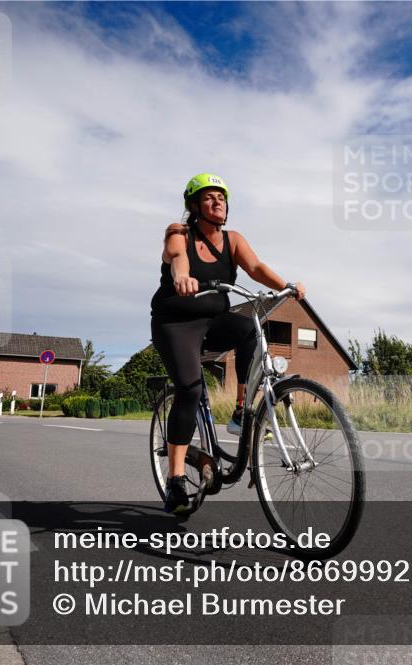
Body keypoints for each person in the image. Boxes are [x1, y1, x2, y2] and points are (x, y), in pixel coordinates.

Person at [150, 173, 305, 514]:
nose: (217, 201)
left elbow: (255, 266)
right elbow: (178, 260)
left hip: (214, 321)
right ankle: (176, 480)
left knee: (250, 328)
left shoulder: (233, 240)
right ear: (194, 206)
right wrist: (183, 278)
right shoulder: (179, 233)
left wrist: (287, 285)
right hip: (175, 323)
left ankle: (240, 411)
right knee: (190, 390)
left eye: (221, 196)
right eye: (208, 197)